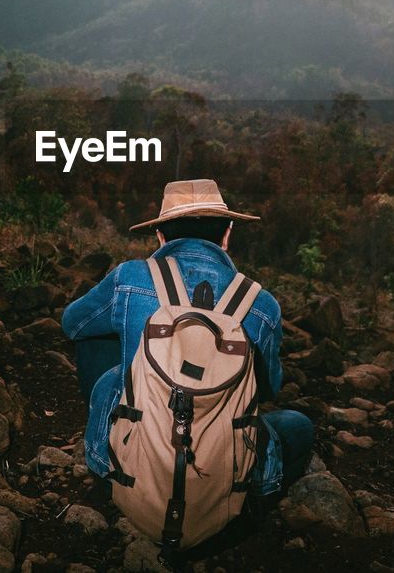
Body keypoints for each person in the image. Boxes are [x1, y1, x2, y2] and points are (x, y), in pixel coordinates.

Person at [61, 179, 315, 516]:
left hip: (129, 469)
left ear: (160, 236)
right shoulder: (261, 304)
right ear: (227, 235)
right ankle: (244, 498)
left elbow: (72, 324)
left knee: (97, 333)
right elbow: (268, 388)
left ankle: (106, 457)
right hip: (223, 487)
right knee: (299, 425)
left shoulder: (130, 278)